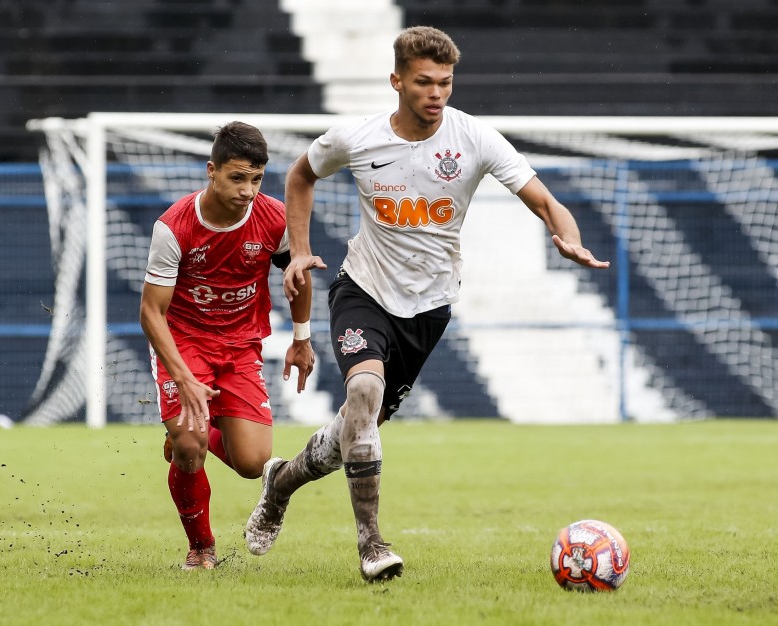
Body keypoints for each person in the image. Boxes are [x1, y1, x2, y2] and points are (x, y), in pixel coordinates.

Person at [244, 26, 609, 581]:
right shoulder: (358, 138)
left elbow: (546, 201)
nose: (437, 93)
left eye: (445, 82)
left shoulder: (476, 139)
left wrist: (570, 237)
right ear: (397, 81)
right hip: (362, 288)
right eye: (424, 82)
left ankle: (281, 483)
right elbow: (299, 175)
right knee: (363, 392)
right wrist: (300, 250)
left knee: (354, 431)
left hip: (430, 306)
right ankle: (371, 544)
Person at [140, 121, 315, 570]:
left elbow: (298, 275)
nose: (247, 190)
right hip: (185, 345)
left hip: (240, 347)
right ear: (211, 171)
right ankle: (201, 550)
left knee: (254, 464)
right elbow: (151, 313)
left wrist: (301, 338)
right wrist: (183, 377)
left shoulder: (273, 217)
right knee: (191, 445)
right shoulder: (174, 228)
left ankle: (184, 437)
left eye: (256, 179)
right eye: (237, 178)